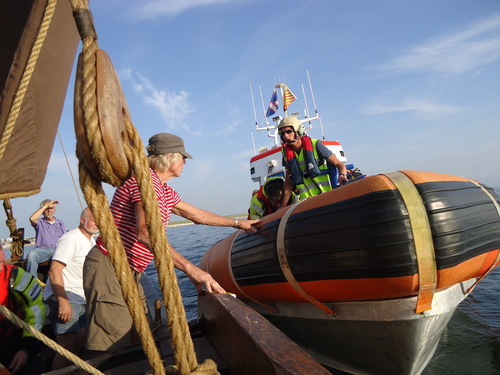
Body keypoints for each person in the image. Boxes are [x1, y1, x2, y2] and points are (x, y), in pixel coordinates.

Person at [84, 132, 259, 353]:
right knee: (111, 342)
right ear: (168, 158)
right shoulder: (144, 181)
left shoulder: (163, 189)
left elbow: (198, 215)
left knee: (141, 332)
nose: (185, 162)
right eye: (182, 157)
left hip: (129, 270)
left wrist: (238, 223)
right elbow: (146, 233)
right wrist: (191, 269)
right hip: (110, 266)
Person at [43, 207, 99, 370]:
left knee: (82, 340)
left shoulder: (90, 241)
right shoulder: (71, 238)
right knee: (67, 347)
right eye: (94, 219)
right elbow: (54, 271)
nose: (97, 224)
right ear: (82, 220)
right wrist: (63, 302)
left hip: (81, 299)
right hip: (66, 299)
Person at [278, 116, 348, 206]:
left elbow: (339, 164)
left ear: (299, 130)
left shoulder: (315, 144)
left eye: (288, 132)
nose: (285, 136)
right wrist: (283, 206)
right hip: (307, 202)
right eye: (282, 133)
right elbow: (288, 181)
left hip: (327, 195)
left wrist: (342, 175)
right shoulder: (285, 153)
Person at [0, 245, 45, 375]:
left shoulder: (16, 276)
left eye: (2, 261)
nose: (1, 267)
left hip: (15, 338)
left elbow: (35, 309)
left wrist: (27, 348)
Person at [26, 199, 66, 277]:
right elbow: (32, 219)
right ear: (43, 211)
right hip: (43, 250)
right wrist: (45, 206)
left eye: (51, 208)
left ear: (54, 210)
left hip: (58, 249)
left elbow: (65, 239)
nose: (49, 211)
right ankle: (33, 283)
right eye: (46, 209)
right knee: (31, 255)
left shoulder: (60, 223)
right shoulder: (40, 222)